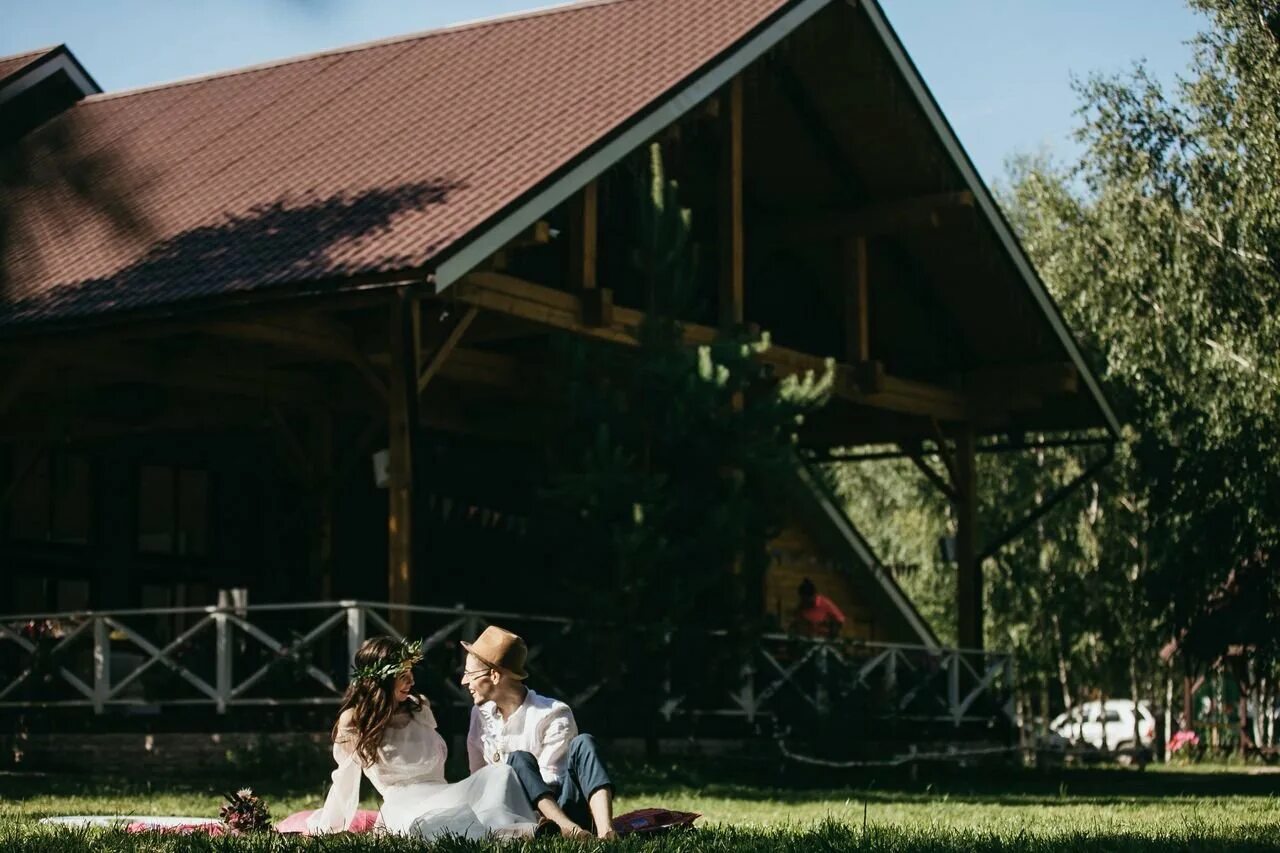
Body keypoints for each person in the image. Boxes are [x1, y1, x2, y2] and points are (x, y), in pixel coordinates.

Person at [309, 636, 538, 839]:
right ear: (381, 679)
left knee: (501, 772)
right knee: (437, 824)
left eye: (411, 673)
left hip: (443, 793)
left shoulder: (419, 707)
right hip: (403, 804)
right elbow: (344, 779)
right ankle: (511, 832)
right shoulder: (354, 720)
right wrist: (332, 825)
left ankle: (513, 826)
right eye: (403, 675)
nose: (412, 681)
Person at [461, 625, 616, 839]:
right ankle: (568, 831)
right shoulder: (480, 715)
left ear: (495, 676)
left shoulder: (553, 713)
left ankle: (605, 831)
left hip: (562, 808)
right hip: (512, 813)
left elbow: (553, 781)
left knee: (584, 743)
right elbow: (477, 777)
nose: (464, 681)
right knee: (518, 760)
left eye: (470, 674)